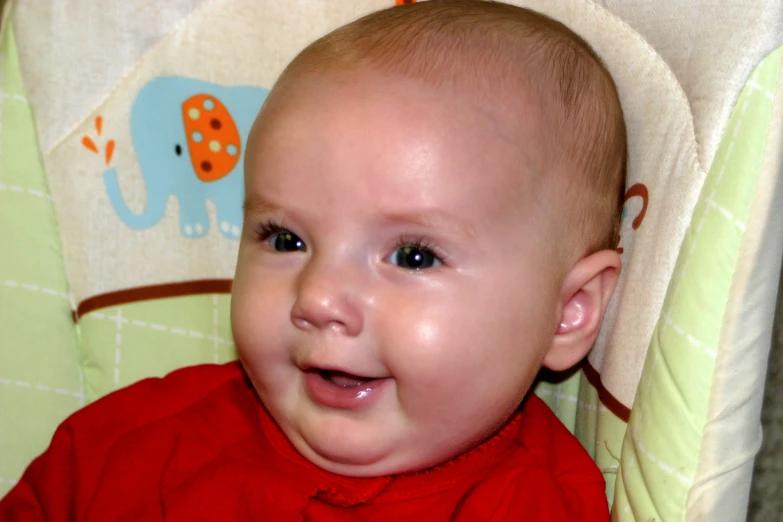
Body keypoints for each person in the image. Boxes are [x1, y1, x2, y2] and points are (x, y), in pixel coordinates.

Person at [0, 1, 626, 519]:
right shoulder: (125, 447)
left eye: (411, 255)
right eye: (284, 240)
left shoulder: (535, 505)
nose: (317, 296)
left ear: (568, 312)